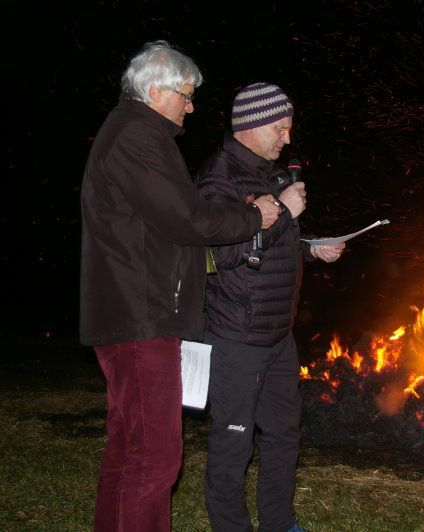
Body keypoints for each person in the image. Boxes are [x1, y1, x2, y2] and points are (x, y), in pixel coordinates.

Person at [80, 42, 283, 531]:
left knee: (129, 449)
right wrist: (255, 215)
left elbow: (163, 227)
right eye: (187, 96)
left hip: (132, 312)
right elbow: (187, 218)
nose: (191, 107)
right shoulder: (138, 136)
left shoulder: (129, 132)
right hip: (141, 315)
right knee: (155, 458)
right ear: (156, 91)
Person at [196, 82, 344, 532]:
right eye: (280, 128)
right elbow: (218, 255)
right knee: (233, 443)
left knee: (283, 436)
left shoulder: (269, 171)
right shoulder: (217, 177)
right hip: (236, 335)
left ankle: (278, 524)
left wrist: (311, 248)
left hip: (279, 335)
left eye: (289, 128)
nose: (287, 138)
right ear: (252, 124)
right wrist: (282, 211)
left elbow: (275, 242)